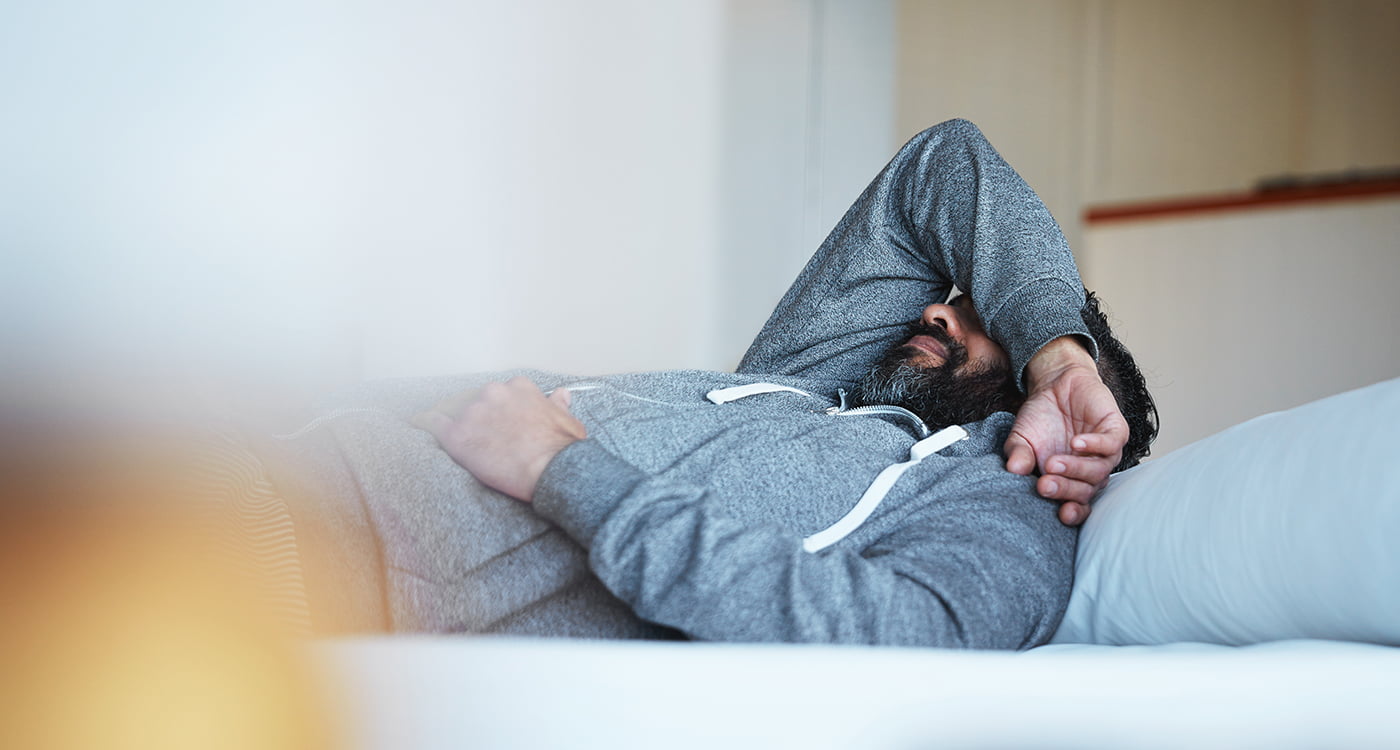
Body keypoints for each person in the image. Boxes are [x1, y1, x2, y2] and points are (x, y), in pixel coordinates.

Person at [254, 118, 1157, 647]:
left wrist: (559, 468)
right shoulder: (820, 391)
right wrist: (1057, 349)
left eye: (980, 320)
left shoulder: (998, 518)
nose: (937, 315)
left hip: (324, 554)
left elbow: (881, 633)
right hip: (286, 451)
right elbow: (945, 162)